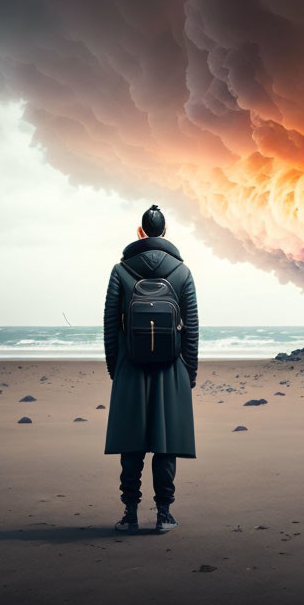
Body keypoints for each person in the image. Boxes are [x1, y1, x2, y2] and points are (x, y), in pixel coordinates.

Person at [103, 204, 198, 534]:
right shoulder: (183, 273)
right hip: (171, 369)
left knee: (132, 443)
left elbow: (111, 324)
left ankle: (129, 514)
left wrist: (116, 368)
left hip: (131, 366)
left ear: (140, 232)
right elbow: (193, 327)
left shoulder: (120, 270)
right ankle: (164, 515)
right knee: (165, 442)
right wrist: (191, 372)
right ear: (165, 231)